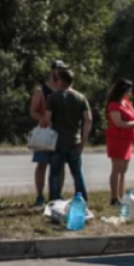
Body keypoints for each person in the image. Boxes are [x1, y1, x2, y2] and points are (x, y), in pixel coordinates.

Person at [42, 67, 92, 202]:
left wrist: (49, 126)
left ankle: (54, 200)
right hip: (74, 141)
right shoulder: (81, 97)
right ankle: (82, 199)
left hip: (57, 142)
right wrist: (83, 142)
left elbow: (46, 119)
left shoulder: (53, 97)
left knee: (55, 173)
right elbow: (88, 120)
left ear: (62, 81)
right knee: (77, 173)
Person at [29, 60, 67, 206]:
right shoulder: (41, 91)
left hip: (61, 133)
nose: (60, 72)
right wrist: (46, 119)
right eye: (58, 69)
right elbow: (33, 111)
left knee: (60, 165)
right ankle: (39, 195)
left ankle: (57, 195)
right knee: (42, 164)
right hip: (45, 133)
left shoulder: (65, 90)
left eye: (62, 70)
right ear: (51, 71)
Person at [105, 79, 134, 205]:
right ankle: (114, 198)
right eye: (129, 90)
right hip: (117, 139)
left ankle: (122, 196)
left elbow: (133, 116)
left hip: (127, 139)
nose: (131, 92)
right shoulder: (113, 105)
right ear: (122, 91)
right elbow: (119, 123)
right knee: (116, 168)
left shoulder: (127, 103)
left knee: (123, 169)